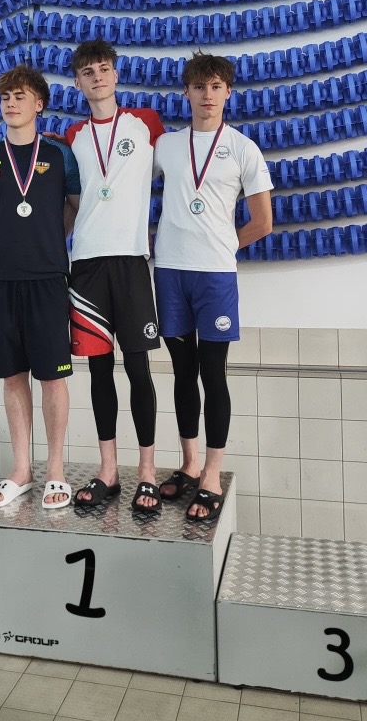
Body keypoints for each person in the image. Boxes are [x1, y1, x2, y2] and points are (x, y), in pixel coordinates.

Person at [153, 52, 273, 521]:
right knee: (182, 373)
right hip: (170, 272)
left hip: (216, 276)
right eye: (200, 86)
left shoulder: (244, 149)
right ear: (186, 92)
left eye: (216, 86)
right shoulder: (165, 146)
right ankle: (189, 464)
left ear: (228, 93)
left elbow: (262, 222)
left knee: (213, 373)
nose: (208, 95)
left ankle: (212, 472)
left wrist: (224, 244)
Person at [0, 65, 80, 509]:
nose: (11, 103)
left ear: (39, 104)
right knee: (12, 375)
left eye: (20, 96)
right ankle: (22, 470)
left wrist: (49, 238)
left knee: (53, 377)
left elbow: (76, 207)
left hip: (47, 280)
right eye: (5, 97)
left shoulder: (61, 156)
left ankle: (56, 471)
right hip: (1, 282)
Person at [65, 39, 165, 514]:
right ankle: (108, 471)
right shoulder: (72, 136)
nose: (97, 77)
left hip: (130, 261)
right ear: (78, 82)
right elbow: (70, 203)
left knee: (139, 370)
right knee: (99, 371)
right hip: (86, 264)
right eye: (88, 72)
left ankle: (146, 472)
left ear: (116, 74)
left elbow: (179, 174)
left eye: (103, 68)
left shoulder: (146, 124)